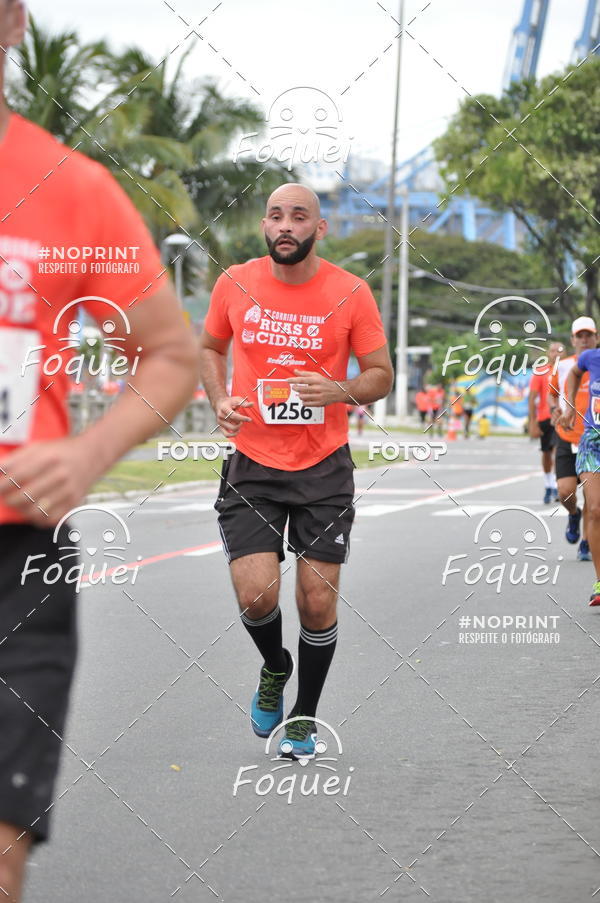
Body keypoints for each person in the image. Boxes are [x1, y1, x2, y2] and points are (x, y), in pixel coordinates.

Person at [0, 4, 198, 899]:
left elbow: (169, 352)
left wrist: (87, 455)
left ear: (13, 20)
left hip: (15, 557)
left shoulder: (68, 187)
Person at [199, 183, 392, 759]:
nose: (286, 226)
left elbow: (379, 374)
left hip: (323, 466)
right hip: (253, 461)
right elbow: (210, 349)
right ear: (265, 225)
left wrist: (339, 389)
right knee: (257, 596)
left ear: (318, 228)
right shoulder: (235, 282)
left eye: (299, 216)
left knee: (316, 601)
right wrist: (217, 398)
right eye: (276, 216)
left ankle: (304, 717)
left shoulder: (350, 292)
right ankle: (274, 666)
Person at [548, 317, 596, 561]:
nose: (584, 340)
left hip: (594, 441)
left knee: (593, 496)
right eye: (580, 336)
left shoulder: (597, 363)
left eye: (589, 335)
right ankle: (573, 514)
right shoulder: (564, 366)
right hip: (567, 436)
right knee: (565, 491)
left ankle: (587, 542)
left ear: (596, 338)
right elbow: (552, 395)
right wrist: (555, 409)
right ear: (573, 340)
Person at [562, 341, 600, 605]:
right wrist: (570, 404)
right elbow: (575, 372)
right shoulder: (591, 357)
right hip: (593, 442)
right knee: (596, 509)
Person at [528, 341, 564, 503]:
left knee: (558, 451)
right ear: (549, 354)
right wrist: (532, 421)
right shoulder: (541, 372)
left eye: (559, 351)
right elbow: (532, 397)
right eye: (553, 351)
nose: (556, 353)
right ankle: (548, 484)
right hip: (544, 418)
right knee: (546, 453)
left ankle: (558, 486)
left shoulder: (570, 371)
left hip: (563, 418)